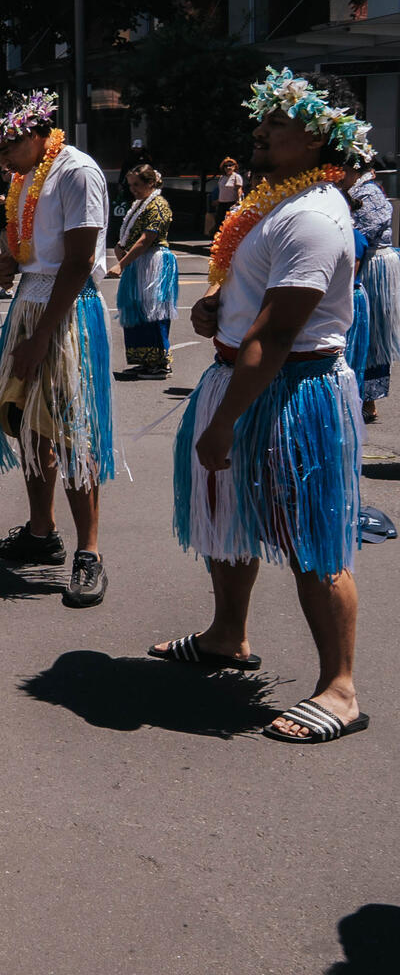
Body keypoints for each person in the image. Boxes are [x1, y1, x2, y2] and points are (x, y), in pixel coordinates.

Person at [154, 68, 370, 746]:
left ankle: (339, 688)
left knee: (312, 537)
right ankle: (227, 635)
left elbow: (278, 335)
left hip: (291, 390)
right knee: (226, 520)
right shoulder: (279, 200)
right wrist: (218, 306)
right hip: (243, 374)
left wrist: (223, 423)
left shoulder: (314, 215)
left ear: (317, 137)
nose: (260, 131)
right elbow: (257, 303)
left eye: (276, 123)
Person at [0, 90, 117, 607]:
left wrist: (42, 337)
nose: (0, 157)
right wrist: (8, 264)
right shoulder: (23, 176)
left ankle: (89, 553)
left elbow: (78, 262)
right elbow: (26, 245)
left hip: (65, 312)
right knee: (29, 425)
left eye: (5, 145)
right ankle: (40, 533)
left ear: (35, 132)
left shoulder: (76, 171)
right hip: (30, 303)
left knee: (74, 432)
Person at [105, 163, 178, 380]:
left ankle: (159, 363)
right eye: (130, 185)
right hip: (140, 262)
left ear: (151, 183)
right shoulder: (141, 204)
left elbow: (146, 240)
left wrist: (121, 263)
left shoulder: (158, 205)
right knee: (137, 309)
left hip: (154, 262)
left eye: (137, 184)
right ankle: (146, 360)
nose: (133, 189)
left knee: (152, 310)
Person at [339, 154, 396, 423]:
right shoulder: (356, 190)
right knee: (360, 331)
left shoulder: (369, 191)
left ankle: (367, 398)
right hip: (364, 260)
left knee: (371, 335)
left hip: (373, 265)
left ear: (353, 169)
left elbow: (365, 231)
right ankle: (360, 395)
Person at [209, 156, 244, 236]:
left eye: (230, 165)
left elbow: (239, 189)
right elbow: (220, 190)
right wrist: (217, 200)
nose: (228, 167)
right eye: (226, 166)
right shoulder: (222, 177)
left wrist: (239, 201)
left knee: (229, 224)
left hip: (231, 203)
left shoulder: (236, 177)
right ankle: (217, 241)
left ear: (234, 166)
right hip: (221, 203)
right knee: (219, 222)